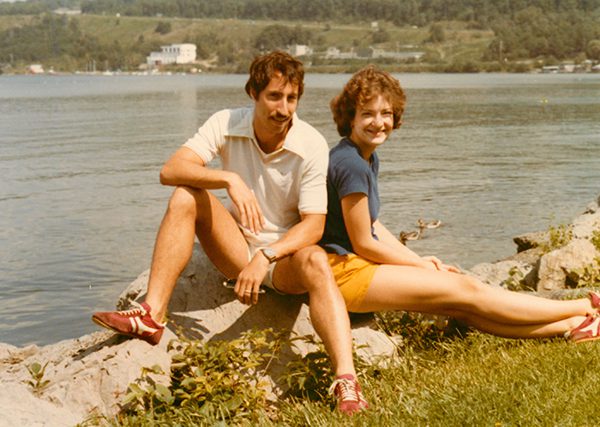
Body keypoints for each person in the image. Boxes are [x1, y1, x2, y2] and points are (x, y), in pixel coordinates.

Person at [92, 52, 367, 414]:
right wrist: (228, 178)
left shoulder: (310, 144)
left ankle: (346, 382)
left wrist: (266, 255)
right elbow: (171, 169)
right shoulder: (226, 122)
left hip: (284, 260)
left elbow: (313, 225)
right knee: (186, 194)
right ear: (253, 92)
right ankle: (151, 315)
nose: (283, 108)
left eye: (291, 98)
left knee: (316, 258)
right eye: (274, 96)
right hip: (237, 247)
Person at [319, 65, 600, 344]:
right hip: (344, 273)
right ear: (350, 118)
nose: (378, 122)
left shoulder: (364, 156)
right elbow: (364, 243)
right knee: (467, 288)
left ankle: (574, 325)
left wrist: (417, 261)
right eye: (367, 113)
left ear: (396, 116)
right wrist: (420, 266)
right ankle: (584, 306)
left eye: (386, 113)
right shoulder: (351, 163)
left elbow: (371, 222)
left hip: (354, 267)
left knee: (459, 305)